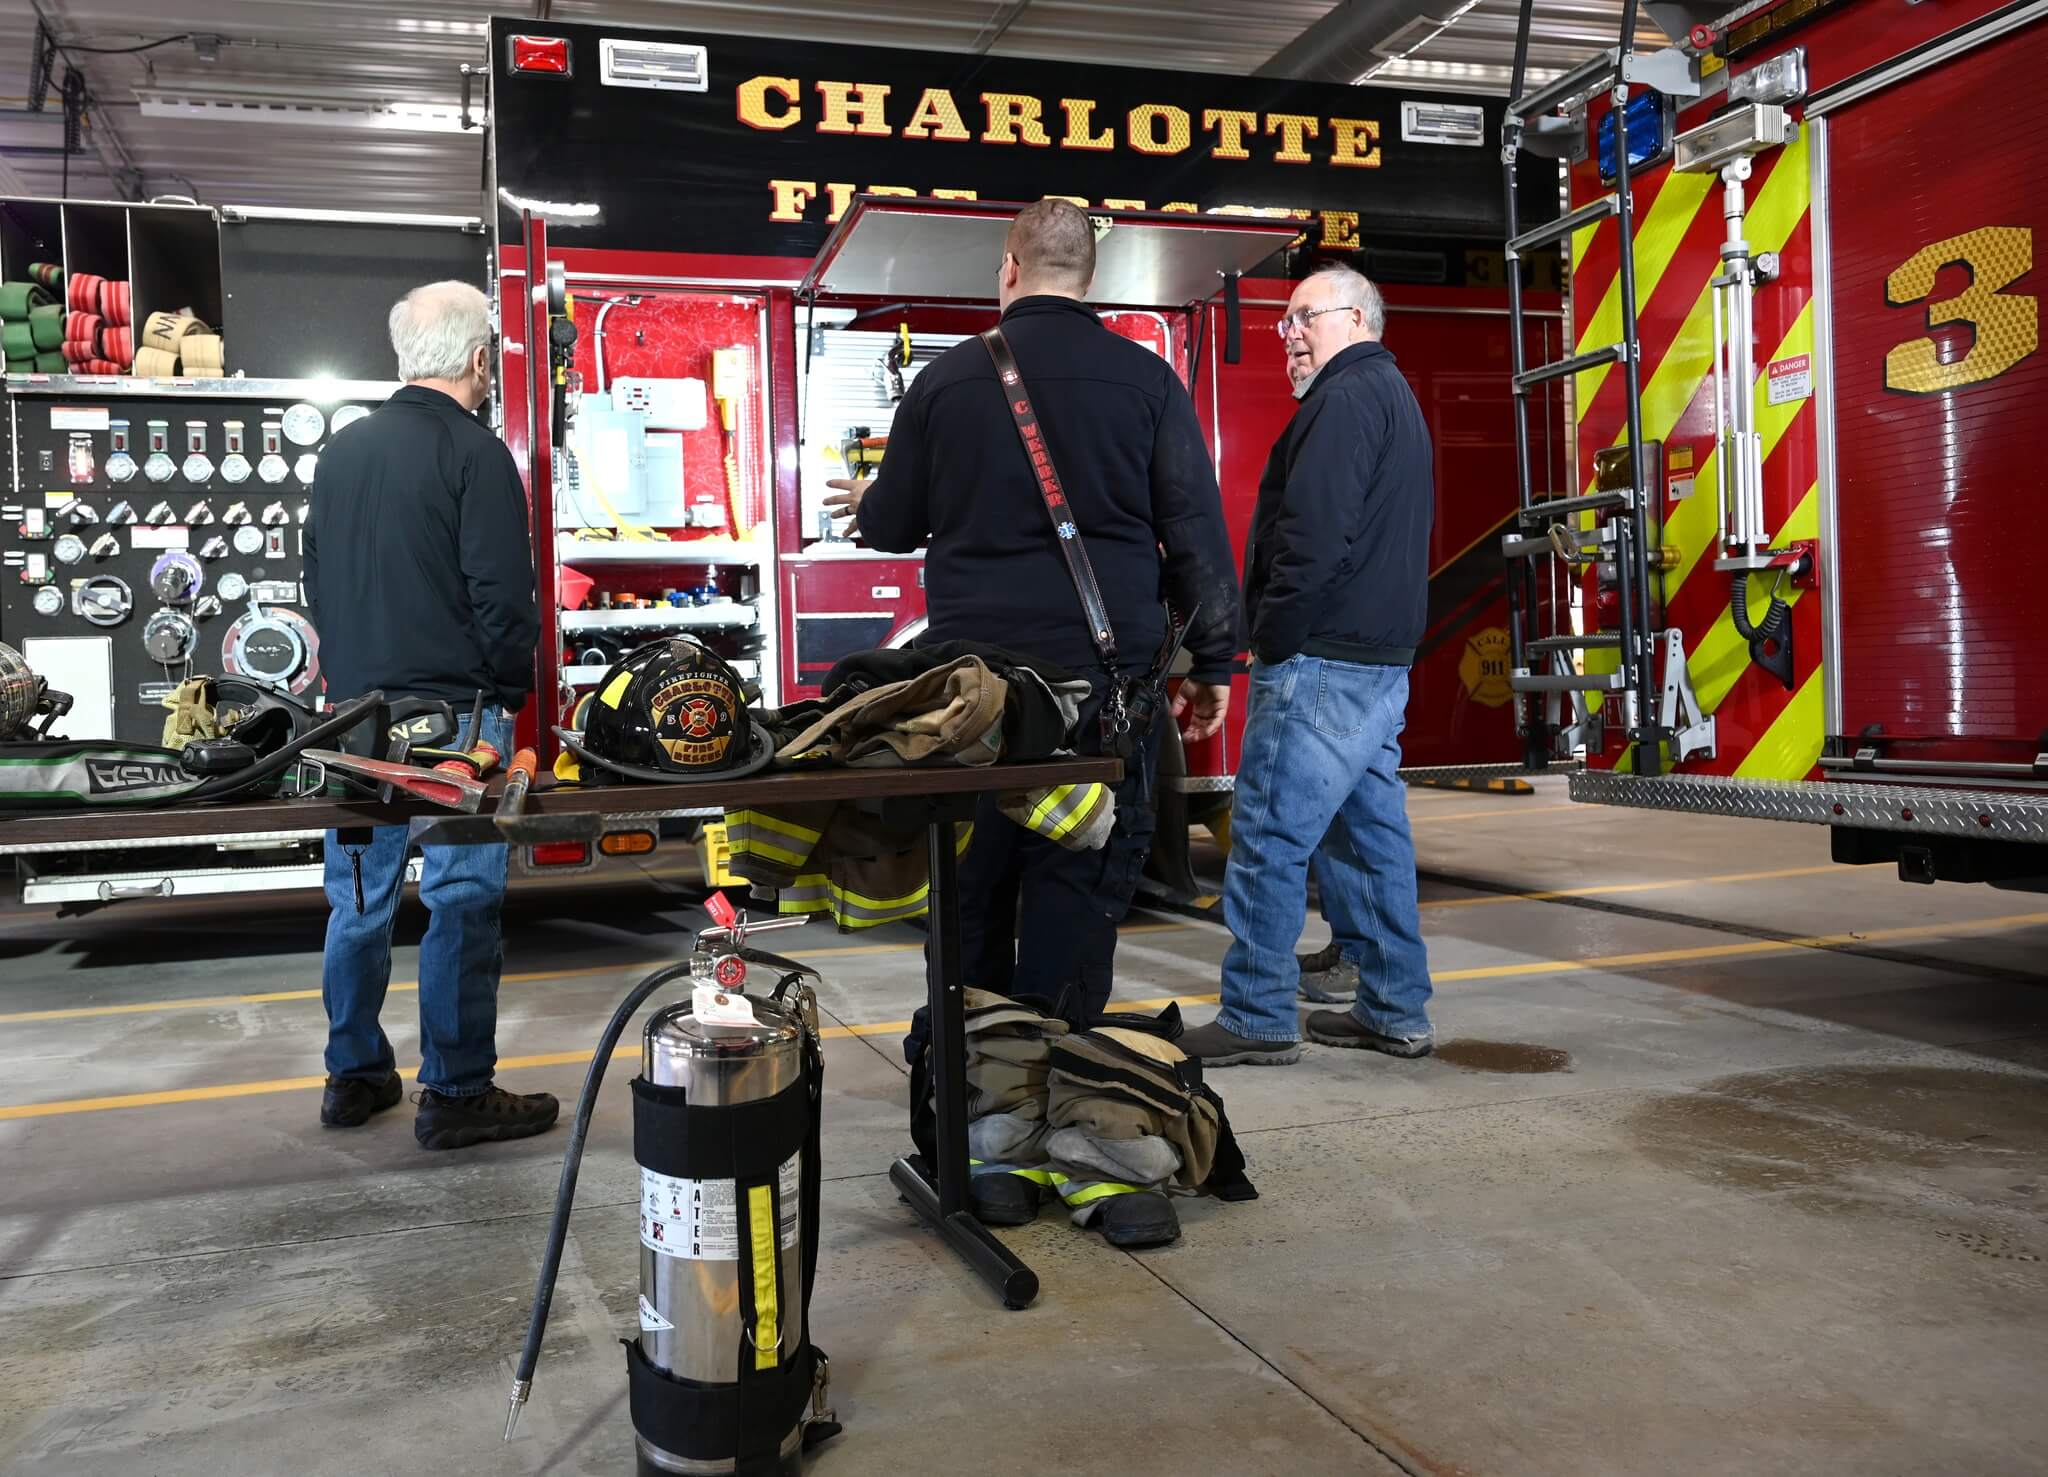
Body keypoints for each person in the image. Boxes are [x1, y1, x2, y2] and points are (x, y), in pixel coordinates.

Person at [824, 198, 1239, 1027]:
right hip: (1101, 704)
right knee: (1077, 903)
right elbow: (1195, 534)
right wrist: (1215, 663)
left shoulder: (944, 382)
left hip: (973, 708)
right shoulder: (1148, 381)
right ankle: (1050, 1087)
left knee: (970, 899)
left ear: (1008, 269)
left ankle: (965, 1101)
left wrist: (873, 496)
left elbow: (892, 524)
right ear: (1089, 277)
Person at [304, 280, 558, 1149]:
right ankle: (454, 1091)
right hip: (454, 718)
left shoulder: (339, 453)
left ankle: (355, 1074)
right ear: (481, 358)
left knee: (359, 901)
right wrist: (505, 703)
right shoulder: (477, 453)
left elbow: (317, 586)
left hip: (353, 720)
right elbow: (503, 601)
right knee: (459, 900)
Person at [1180, 264, 1435, 1066]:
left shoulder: (1344, 399)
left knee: (1266, 836)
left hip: (1322, 657)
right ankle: (1394, 1005)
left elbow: (1314, 540)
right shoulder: (1389, 395)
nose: (1287, 336)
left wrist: (1275, 635)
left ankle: (1255, 1012)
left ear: (1357, 317)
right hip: (1376, 662)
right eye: (1283, 323)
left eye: (1303, 319)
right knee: (1369, 839)